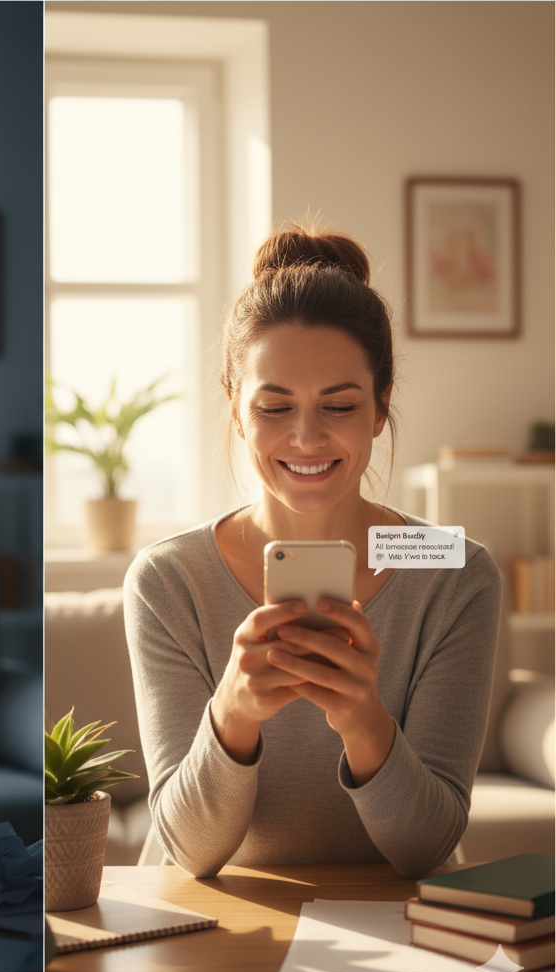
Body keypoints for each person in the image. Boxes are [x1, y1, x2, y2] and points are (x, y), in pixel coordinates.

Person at [124, 227, 501, 880]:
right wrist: (233, 712)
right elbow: (189, 852)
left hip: (400, 924)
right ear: (237, 411)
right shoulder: (169, 578)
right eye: (274, 405)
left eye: (340, 404)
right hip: (216, 930)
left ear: (381, 408)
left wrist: (363, 721)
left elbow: (428, 849)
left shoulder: (451, 570)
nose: (306, 437)